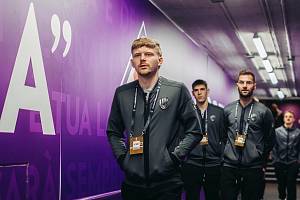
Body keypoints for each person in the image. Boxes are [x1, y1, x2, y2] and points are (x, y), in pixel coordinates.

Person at [106, 37, 202, 200]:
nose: (142, 58)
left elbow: (194, 131)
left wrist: (174, 157)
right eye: (137, 55)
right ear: (132, 62)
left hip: (167, 184)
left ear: (160, 60)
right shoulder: (122, 93)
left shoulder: (176, 90)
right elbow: (113, 132)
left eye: (148, 54)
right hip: (132, 184)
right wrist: (124, 159)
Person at [220, 69, 275, 200]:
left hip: (253, 168)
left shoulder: (264, 111)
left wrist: (261, 160)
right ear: (237, 85)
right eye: (242, 82)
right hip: (229, 167)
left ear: (254, 86)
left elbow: (270, 140)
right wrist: (224, 155)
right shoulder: (228, 109)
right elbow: (221, 136)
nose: (245, 85)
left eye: (249, 82)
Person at [182, 79, 224, 200]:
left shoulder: (219, 112)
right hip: (192, 164)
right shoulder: (187, 113)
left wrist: (220, 157)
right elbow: (181, 137)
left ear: (207, 92)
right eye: (196, 90)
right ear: (193, 93)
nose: (199, 93)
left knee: (213, 196)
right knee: (191, 197)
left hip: (214, 164)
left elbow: (224, 137)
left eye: (202, 89)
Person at [272, 110, 300, 200]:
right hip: (279, 162)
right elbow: (274, 147)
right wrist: (275, 160)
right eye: (286, 116)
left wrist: (298, 161)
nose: (288, 118)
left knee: (291, 184)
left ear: (294, 119)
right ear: (284, 118)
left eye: (290, 116)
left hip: (293, 162)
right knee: (281, 184)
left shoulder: (298, 132)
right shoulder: (277, 131)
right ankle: (282, 197)